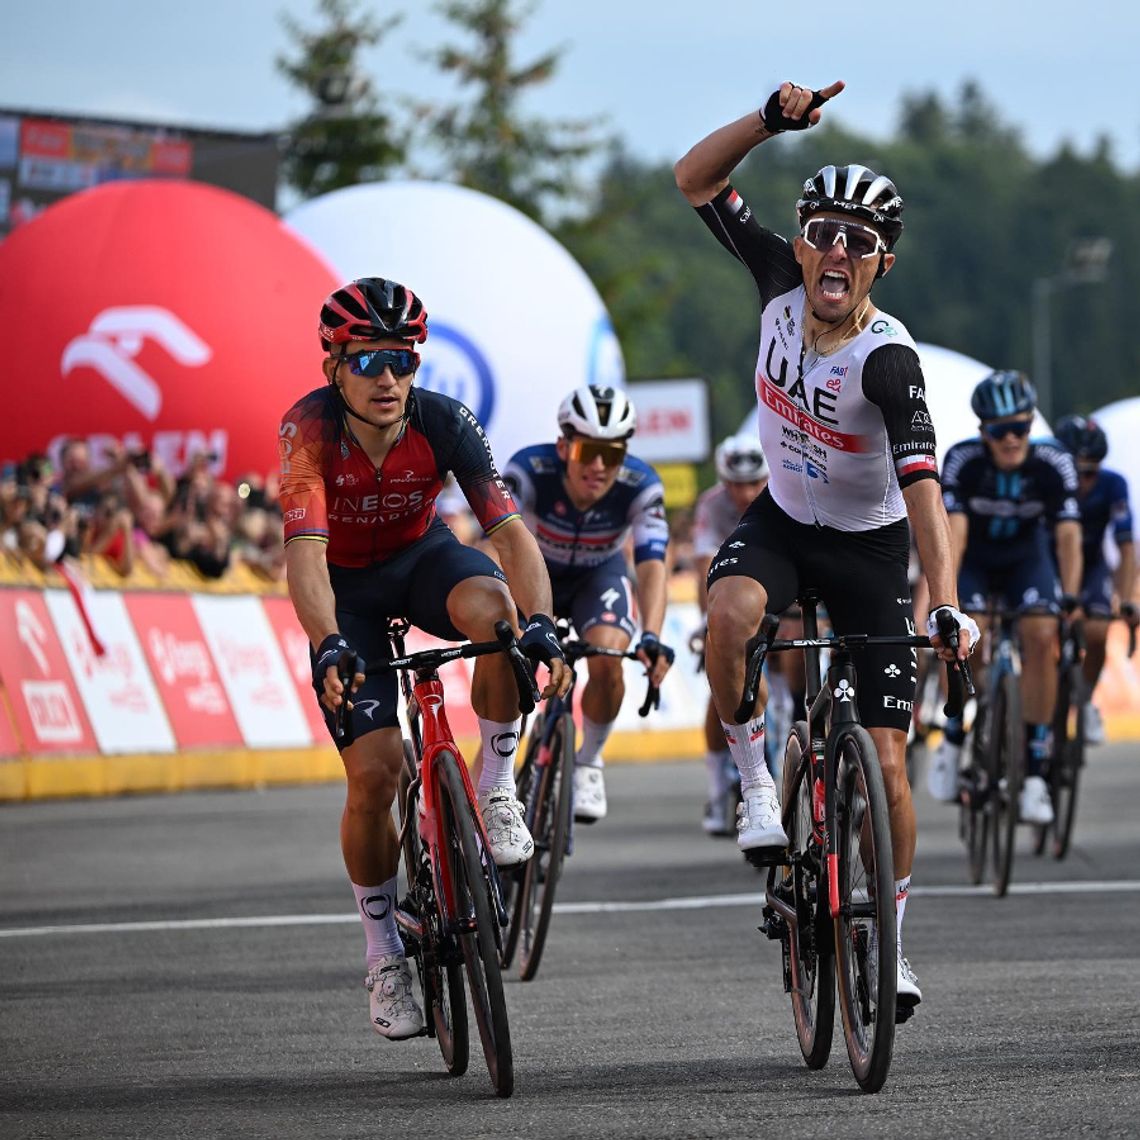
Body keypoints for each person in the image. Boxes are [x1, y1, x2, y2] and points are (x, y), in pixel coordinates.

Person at [674, 79, 977, 1012]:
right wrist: (768, 121)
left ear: (882, 266)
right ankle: (758, 782)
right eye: (824, 233)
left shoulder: (888, 359)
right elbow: (693, 178)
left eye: (861, 242)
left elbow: (926, 491)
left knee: (888, 764)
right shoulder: (774, 279)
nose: (837, 250)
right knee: (729, 613)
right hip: (780, 523)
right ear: (801, 243)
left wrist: (944, 598)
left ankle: (890, 942)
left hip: (869, 550)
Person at [280, 277, 570, 1041]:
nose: (388, 379)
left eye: (403, 361)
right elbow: (305, 558)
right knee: (375, 774)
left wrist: (542, 621)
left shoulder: (443, 421)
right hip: (346, 590)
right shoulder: (307, 431)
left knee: (499, 618)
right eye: (369, 360)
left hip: (421, 560)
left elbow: (508, 533)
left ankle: (496, 782)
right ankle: (382, 954)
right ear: (333, 364)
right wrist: (327, 641)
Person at [502, 384, 676, 822]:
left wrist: (652, 633)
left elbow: (653, 563)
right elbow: (496, 545)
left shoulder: (642, 484)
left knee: (607, 657)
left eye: (612, 454)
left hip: (598, 576)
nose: (599, 467)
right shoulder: (527, 470)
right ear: (564, 447)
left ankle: (589, 761)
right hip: (533, 572)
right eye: (588, 452)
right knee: (506, 660)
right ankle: (498, 775)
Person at [933, 372, 1082, 824]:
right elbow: (953, 536)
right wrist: (949, 600)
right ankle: (955, 736)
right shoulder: (962, 460)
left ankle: (1035, 774)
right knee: (962, 638)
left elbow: (1069, 537)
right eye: (1000, 431)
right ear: (983, 432)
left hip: (1026, 562)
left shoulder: (1054, 463)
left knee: (1041, 635)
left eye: (1021, 427)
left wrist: (1071, 598)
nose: (1012, 439)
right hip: (976, 559)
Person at [691, 434, 770, 835]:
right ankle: (719, 787)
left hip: (774, 597)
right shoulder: (711, 504)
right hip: (729, 596)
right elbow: (705, 566)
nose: (746, 493)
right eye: (736, 485)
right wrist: (708, 621)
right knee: (720, 682)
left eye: (754, 483)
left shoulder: (780, 495)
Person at [1051, 414, 1136, 742]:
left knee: (1099, 631)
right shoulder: (1047, 479)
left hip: (1091, 565)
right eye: (1078, 471)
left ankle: (1085, 700)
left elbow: (1126, 547)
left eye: (1092, 471)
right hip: (1050, 560)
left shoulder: (1114, 485)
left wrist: (1126, 599)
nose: (1085, 480)